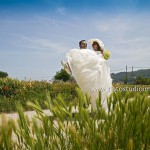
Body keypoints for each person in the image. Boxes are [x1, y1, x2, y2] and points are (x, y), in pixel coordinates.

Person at [62, 38, 112, 112]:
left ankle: (102, 109)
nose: (92, 46)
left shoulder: (97, 53)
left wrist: (102, 57)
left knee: (99, 91)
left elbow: (101, 61)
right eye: (92, 45)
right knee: (94, 92)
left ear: (98, 45)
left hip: (99, 73)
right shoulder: (90, 52)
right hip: (93, 72)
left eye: (94, 45)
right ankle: (69, 65)